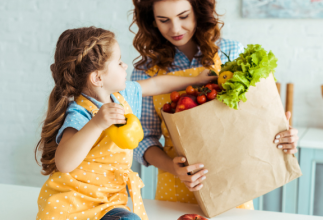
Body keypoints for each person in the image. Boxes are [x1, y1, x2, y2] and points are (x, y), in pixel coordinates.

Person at [130, 0, 299, 209]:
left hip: (233, 181)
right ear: (152, 21)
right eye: (164, 20)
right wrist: (175, 169)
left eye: (183, 16)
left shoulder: (232, 52)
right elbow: (142, 138)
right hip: (177, 184)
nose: (175, 29)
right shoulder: (145, 72)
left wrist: (284, 135)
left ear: (198, 12)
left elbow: (254, 117)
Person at [35, 26, 216, 220]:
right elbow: (64, 163)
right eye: (119, 62)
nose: (125, 66)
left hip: (109, 203)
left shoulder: (123, 96)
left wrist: (195, 80)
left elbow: (156, 84)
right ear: (97, 78)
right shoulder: (80, 113)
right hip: (75, 204)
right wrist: (97, 124)